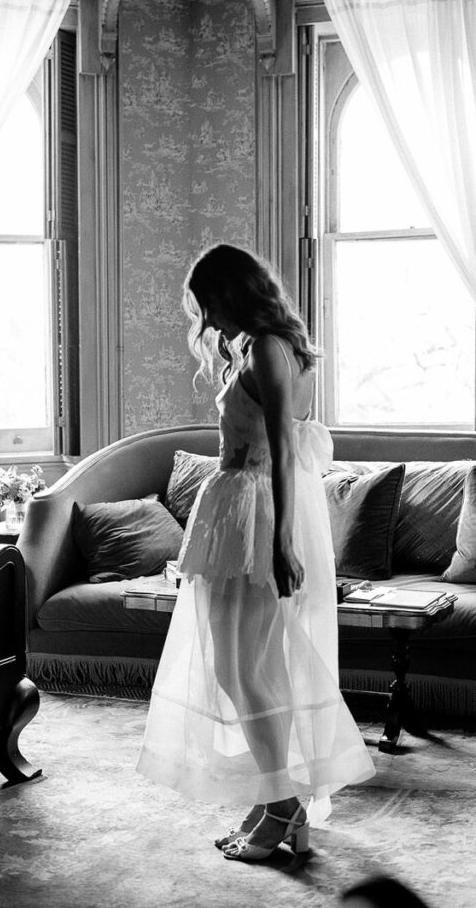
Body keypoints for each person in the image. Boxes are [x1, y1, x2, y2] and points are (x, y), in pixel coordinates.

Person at [136, 244, 374, 861]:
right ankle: (276, 795)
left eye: (211, 305)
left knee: (248, 671)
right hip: (236, 512)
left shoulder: (268, 346)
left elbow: (286, 450)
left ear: (235, 293)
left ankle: (282, 808)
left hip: (254, 515)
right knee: (238, 669)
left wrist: (282, 540)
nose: (207, 321)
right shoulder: (257, 344)